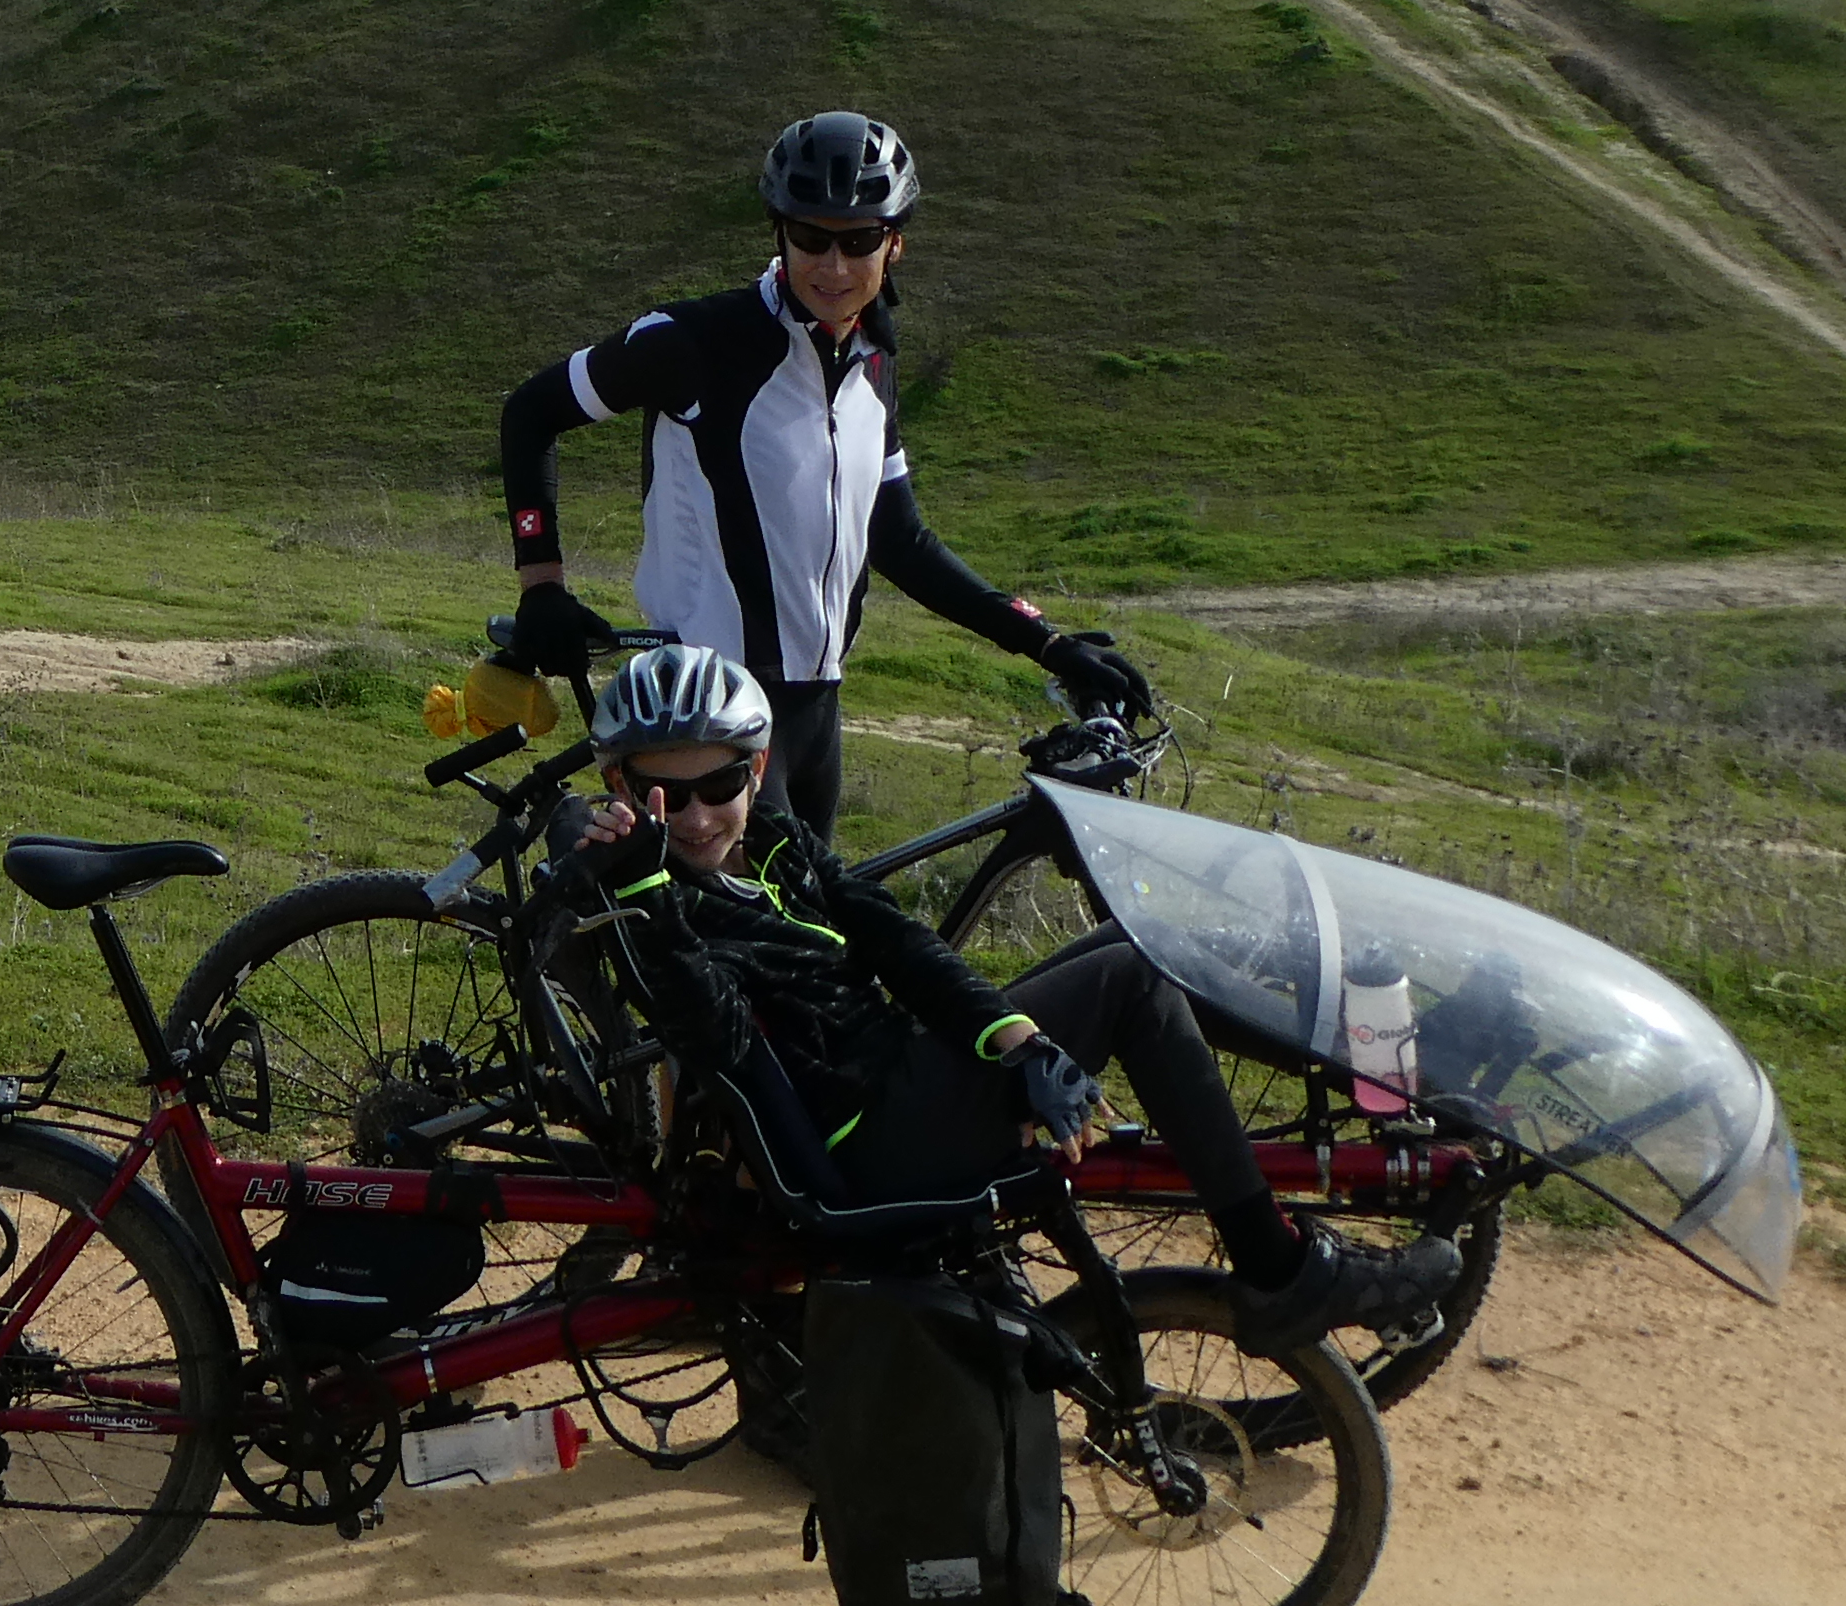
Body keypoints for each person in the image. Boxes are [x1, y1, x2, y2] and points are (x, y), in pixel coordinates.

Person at [554, 644, 1456, 1357]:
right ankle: (1280, 1270)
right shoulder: (649, 904)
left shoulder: (778, 847)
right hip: (865, 1143)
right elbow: (708, 1029)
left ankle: (1353, 1081)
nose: (698, 818)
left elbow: (898, 943)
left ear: (756, 771)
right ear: (621, 789)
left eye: (719, 787)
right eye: (668, 796)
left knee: (1140, 950)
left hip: (902, 1080)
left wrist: (1013, 1039)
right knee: (1129, 977)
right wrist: (644, 891)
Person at [495, 108, 1146, 844]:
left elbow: (899, 539)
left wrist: (1046, 643)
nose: (833, 267)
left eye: (858, 242)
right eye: (811, 238)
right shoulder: (696, 342)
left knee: (821, 917)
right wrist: (541, 584)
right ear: (780, 233)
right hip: (707, 720)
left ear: (894, 244)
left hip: (816, 713)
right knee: (777, 915)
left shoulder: (872, 363)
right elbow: (531, 413)